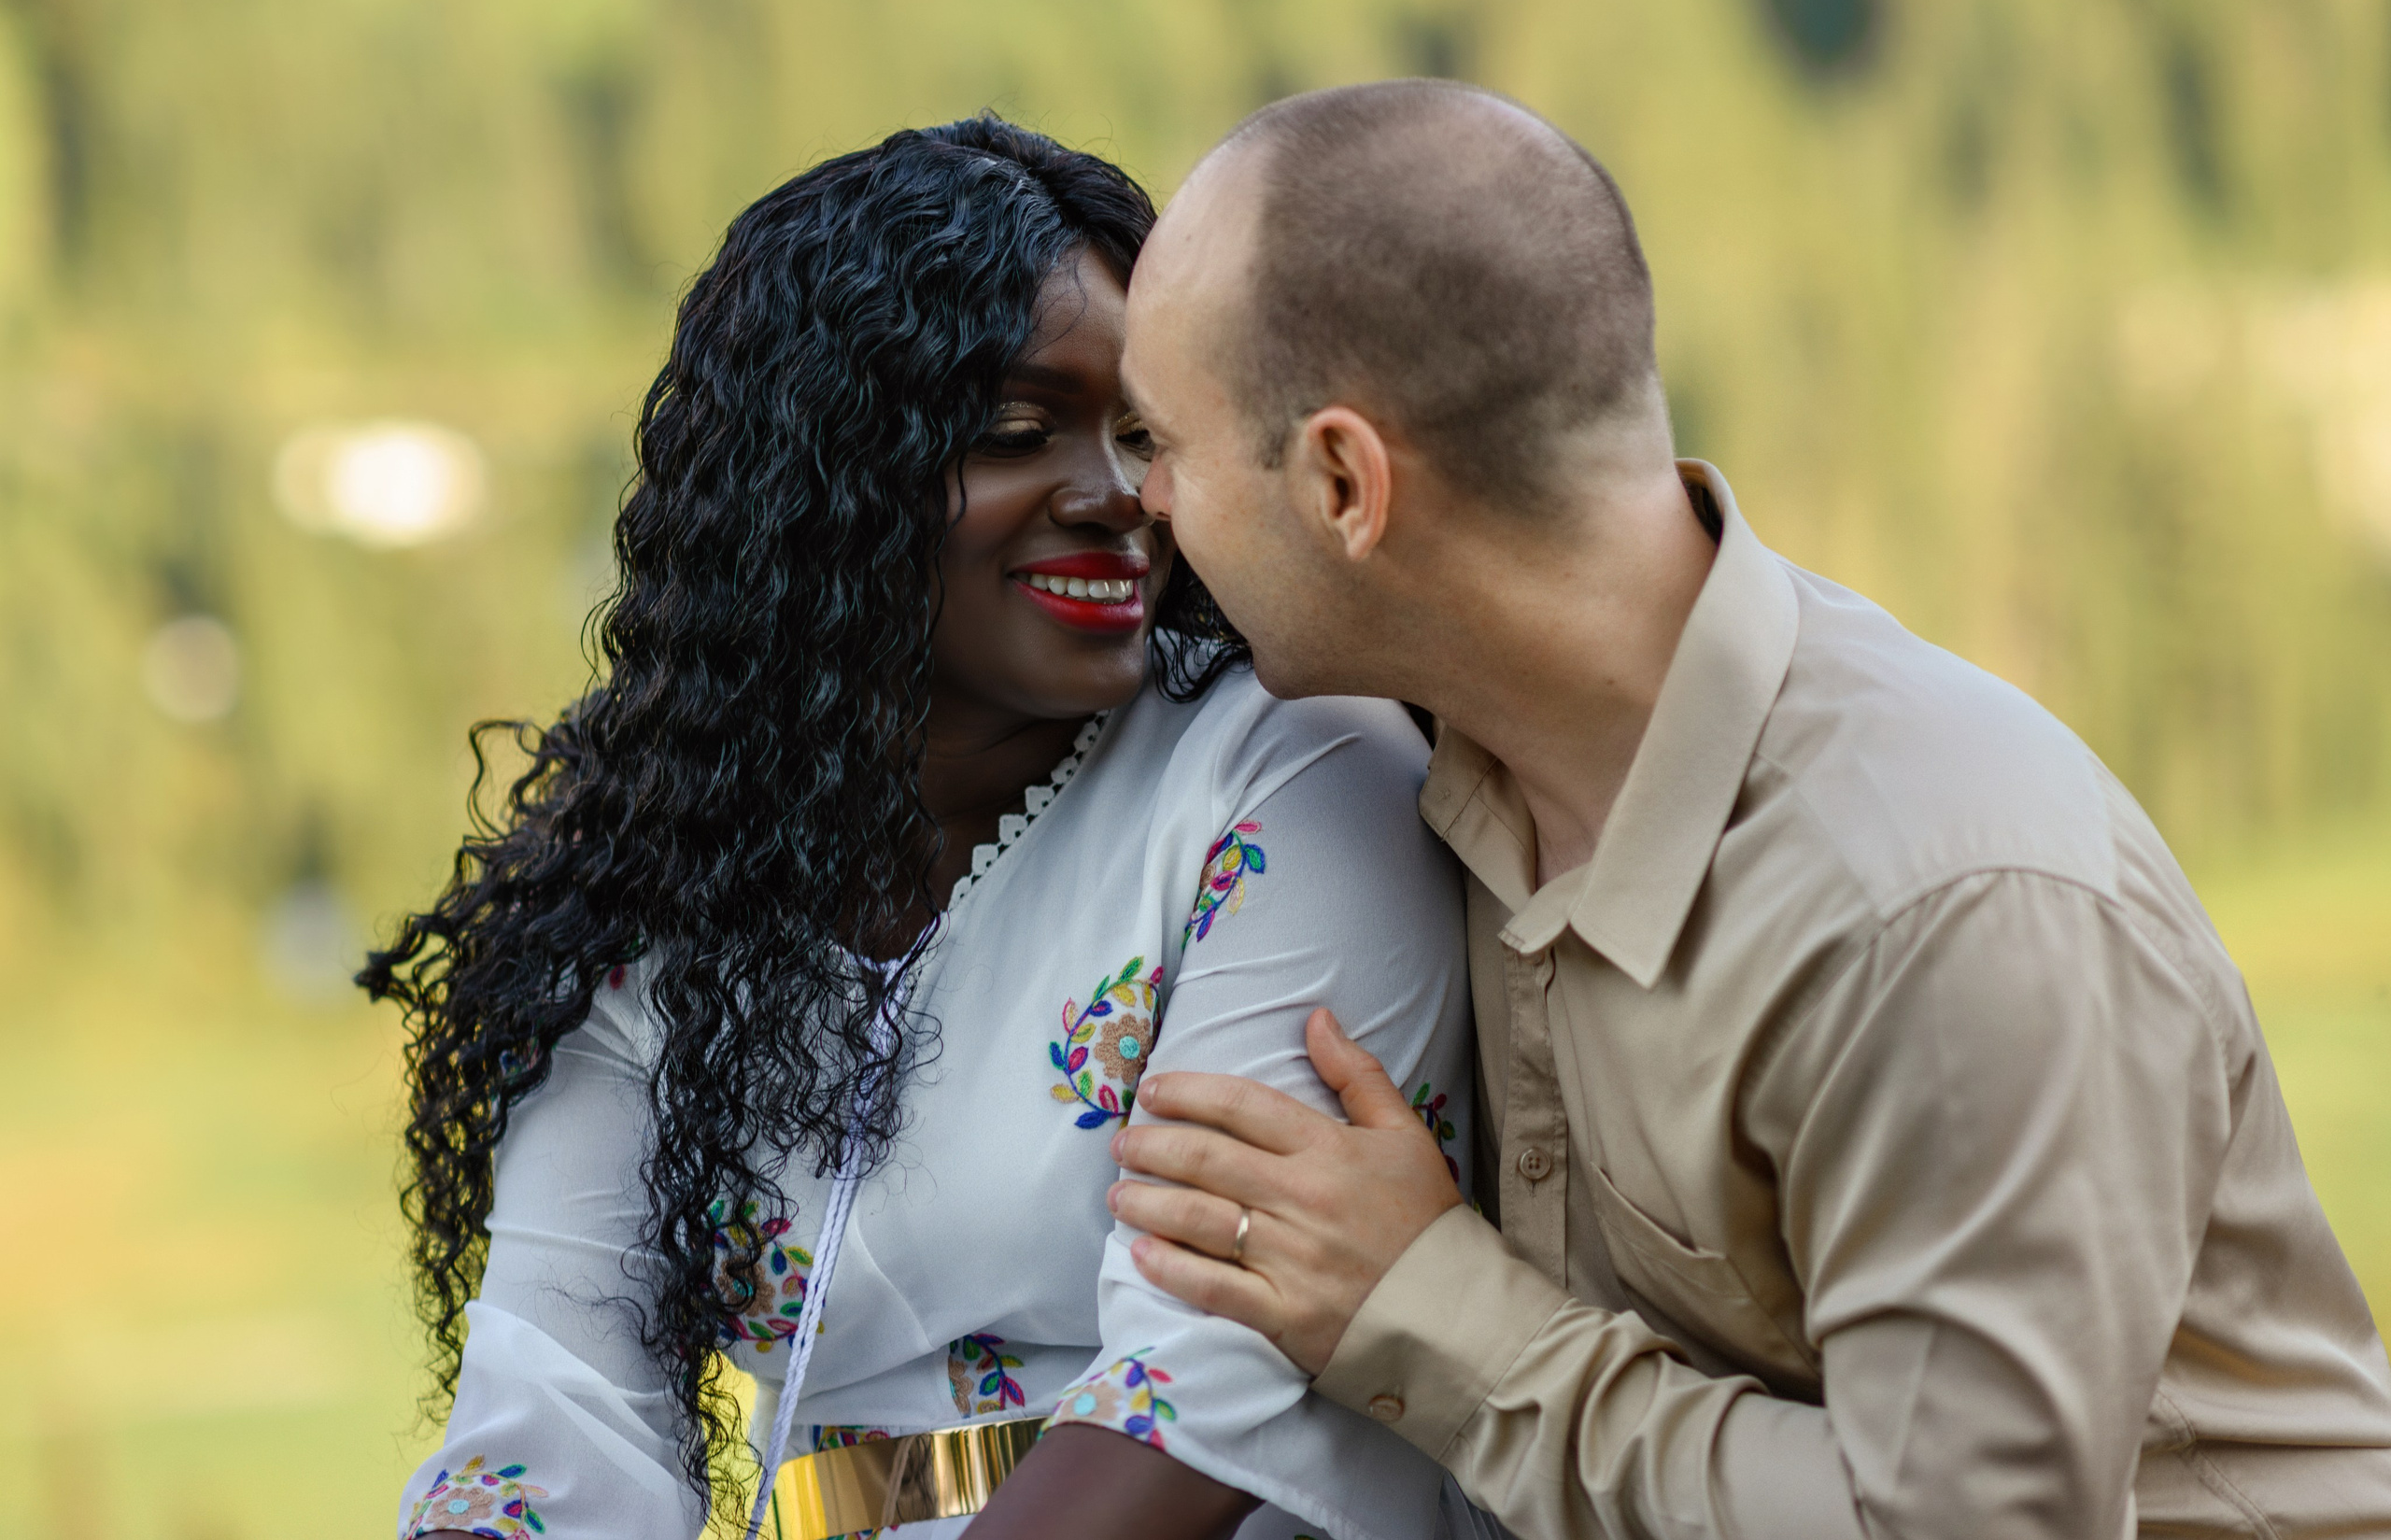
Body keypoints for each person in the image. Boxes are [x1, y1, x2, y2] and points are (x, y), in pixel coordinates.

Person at [1106, 78, 2391, 1538]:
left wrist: (1433, 1314)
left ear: (1344, 480)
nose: (1136, 497)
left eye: (1157, 440)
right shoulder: (1446, 769)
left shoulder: (1938, 906)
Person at [363, 116, 1487, 1540]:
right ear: (821, 484)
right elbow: (555, 1400)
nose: (1117, 495)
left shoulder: (1290, 772)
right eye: (1021, 433)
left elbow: (1210, 1383)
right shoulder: (661, 874)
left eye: (1142, 430)